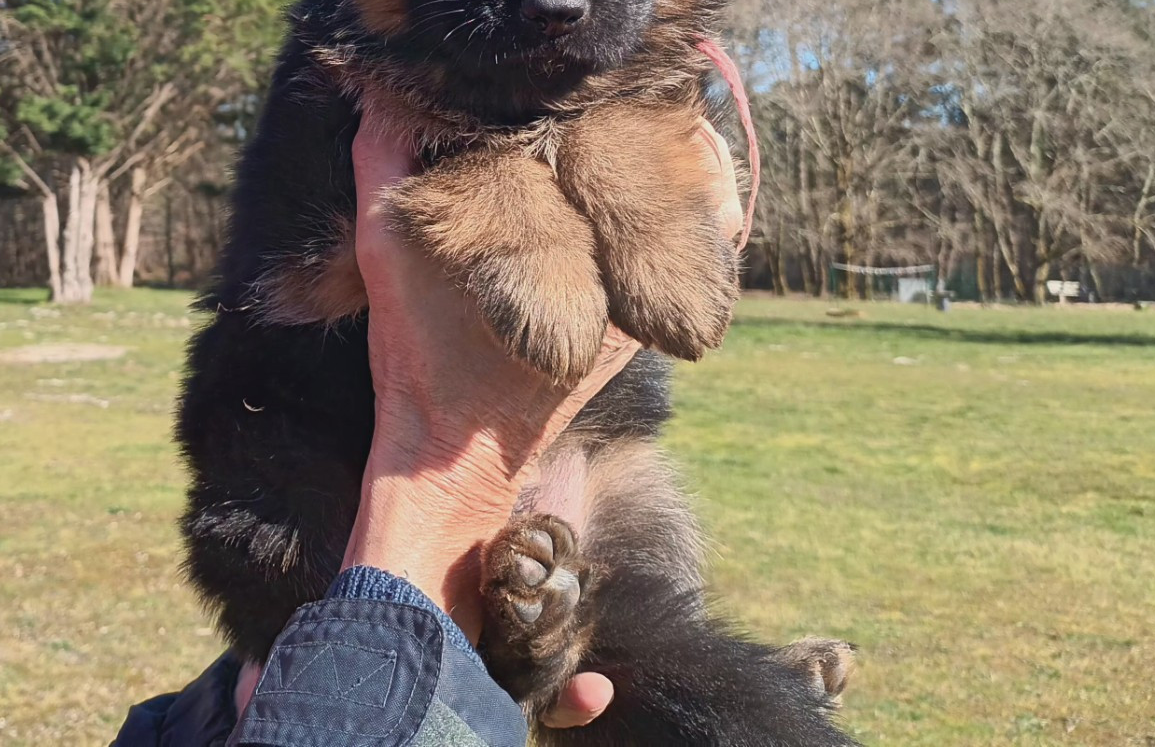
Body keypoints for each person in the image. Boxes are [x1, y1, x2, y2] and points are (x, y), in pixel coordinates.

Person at [112, 107, 743, 747]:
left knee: (639, 583)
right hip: (312, 488)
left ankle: (563, 647)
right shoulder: (357, 73)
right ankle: (534, 653)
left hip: (579, 480)